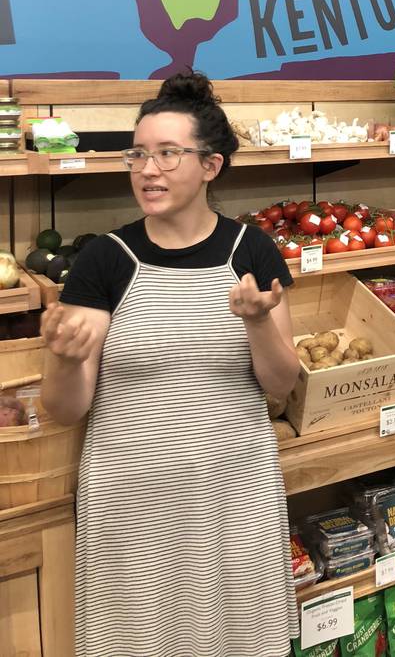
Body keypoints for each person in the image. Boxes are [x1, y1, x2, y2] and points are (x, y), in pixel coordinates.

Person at [40, 71, 300, 657]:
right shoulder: (106, 259)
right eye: (138, 154)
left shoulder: (251, 251)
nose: (147, 170)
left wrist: (258, 321)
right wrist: (61, 359)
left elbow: (281, 388)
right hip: (130, 511)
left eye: (167, 155)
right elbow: (65, 409)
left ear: (210, 166)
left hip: (233, 499)